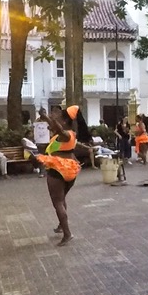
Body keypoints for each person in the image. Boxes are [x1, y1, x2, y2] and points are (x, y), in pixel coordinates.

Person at [35, 105, 92, 246]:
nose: (55, 118)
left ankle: (67, 234)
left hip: (58, 170)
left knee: (58, 202)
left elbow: (59, 129)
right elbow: (57, 129)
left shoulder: (65, 134)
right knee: (61, 199)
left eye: (59, 117)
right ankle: (62, 225)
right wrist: (46, 117)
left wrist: (48, 117)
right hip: (70, 169)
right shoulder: (70, 134)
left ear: (65, 121)